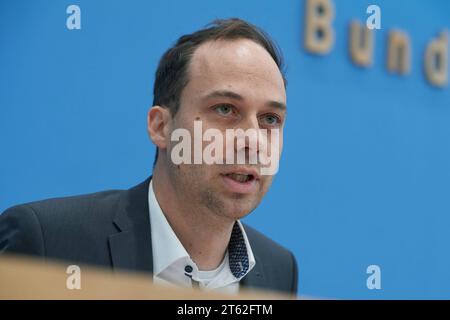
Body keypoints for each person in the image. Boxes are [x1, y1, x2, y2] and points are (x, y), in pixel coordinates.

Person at [0, 18, 298, 296]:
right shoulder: (47, 245)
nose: (253, 141)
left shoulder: (279, 271)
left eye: (270, 119)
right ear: (161, 127)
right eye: (224, 109)